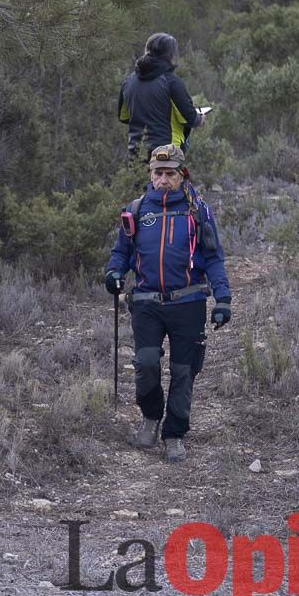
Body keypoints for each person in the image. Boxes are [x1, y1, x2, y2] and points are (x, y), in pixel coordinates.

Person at [104, 144, 231, 464]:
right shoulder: (136, 209)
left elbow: (214, 257)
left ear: (181, 175)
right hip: (146, 302)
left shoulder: (197, 210)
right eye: (157, 173)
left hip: (188, 301)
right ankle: (150, 417)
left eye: (169, 174)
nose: (162, 179)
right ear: (150, 174)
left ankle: (174, 435)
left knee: (183, 371)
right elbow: (121, 252)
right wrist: (114, 272)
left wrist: (223, 298)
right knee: (146, 364)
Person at [118, 33, 204, 161]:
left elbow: (124, 117)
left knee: (141, 182)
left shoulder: (128, 82)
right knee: (167, 181)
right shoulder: (172, 82)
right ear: (170, 55)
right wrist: (200, 119)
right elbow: (189, 119)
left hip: (136, 153)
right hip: (167, 155)